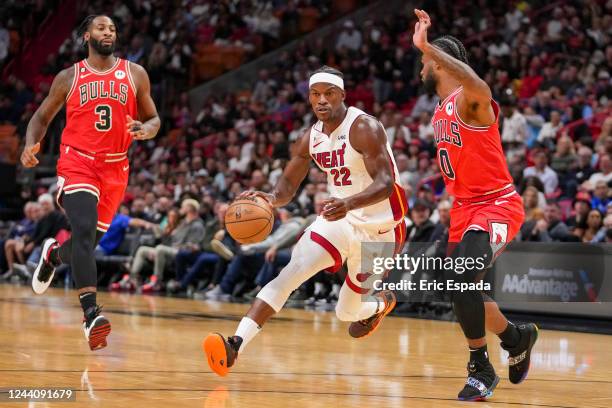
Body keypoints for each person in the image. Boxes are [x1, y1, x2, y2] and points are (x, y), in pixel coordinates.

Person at [203, 65, 408, 376]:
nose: (321, 100)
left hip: (381, 229)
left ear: (342, 95)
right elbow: (286, 187)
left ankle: (381, 304)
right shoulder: (308, 138)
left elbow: (386, 183)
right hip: (338, 219)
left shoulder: (364, 127)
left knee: (346, 312)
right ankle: (235, 346)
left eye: (328, 93)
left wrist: (349, 202)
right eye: (315, 94)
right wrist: (269, 199)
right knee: (290, 274)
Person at [413, 9, 538, 401]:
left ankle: (480, 368)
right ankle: (517, 338)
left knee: (461, 278)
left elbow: (479, 85)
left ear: (438, 62)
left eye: (423, 60)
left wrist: (427, 44)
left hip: (496, 204)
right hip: (464, 209)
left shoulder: (471, 101)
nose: (420, 67)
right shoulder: (439, 110)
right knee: (460, 288)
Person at [20, 14, 160, 351]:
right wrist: (29, 144)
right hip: (78, 162)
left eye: (112, 28)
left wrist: (146, 129)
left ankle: (53, 255)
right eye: (101, 27)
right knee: (82, 232)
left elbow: (153, 118)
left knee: (84, 246)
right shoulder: (69, 77)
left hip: (116, 169)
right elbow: (41, 118)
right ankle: (91, 316)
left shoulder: (135, 73)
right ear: (86, 36)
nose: (108, 32)